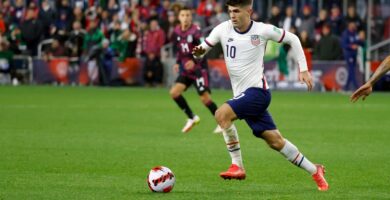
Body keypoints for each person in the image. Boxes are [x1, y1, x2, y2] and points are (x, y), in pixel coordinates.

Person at [192, 0, 328, 191]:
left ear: (249, 11)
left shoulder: (262, 30)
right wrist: (198, 53)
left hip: (258, 93)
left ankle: (237, 166)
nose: (232, 15)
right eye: (230, 11)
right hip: (243, 97)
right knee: (275, 141)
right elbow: (201, 51)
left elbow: (293, 39)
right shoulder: (222, 29)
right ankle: (315, 170)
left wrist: (303, 69)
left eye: (237, 11)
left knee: (221, 114)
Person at [170, 7, 221, 134]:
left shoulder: (196, 31)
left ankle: (222, 122)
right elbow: (178, 50)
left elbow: (203, 49)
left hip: (199, 69)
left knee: (205, 99)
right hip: (186, 70)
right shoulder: (176, 31)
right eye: (183, 15)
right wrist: (177, 62)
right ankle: (192, 117)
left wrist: (194, 60)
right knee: (174, 93)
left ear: (191, 17)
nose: (185, 17)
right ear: (179, 17)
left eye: (188, 15)